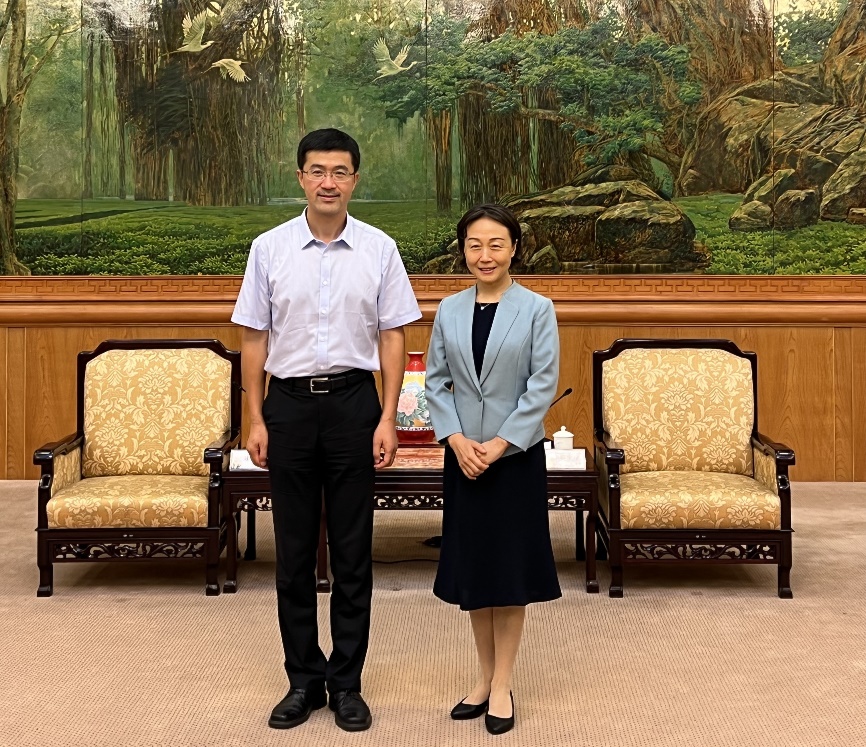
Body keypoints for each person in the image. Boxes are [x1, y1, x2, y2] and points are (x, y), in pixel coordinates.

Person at [231, 128, 421, 732]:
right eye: (317, 171)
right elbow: (253, 338)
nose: (328, 182)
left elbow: (393, 335)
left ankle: (346, 683)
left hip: (353, 406)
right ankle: (302, 680)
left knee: (352, 552)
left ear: (355, 180)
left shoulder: (380, 249)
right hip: (287, 407)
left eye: (340, 172)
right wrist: (255, 417)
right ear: (301, 178)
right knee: (292, 554)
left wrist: (387, 416)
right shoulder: (268, 248)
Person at [425, 204, 561, 736]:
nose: (485, 255)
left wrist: (501, 444)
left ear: (514, 249)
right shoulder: (449, 309)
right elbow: (436, 382)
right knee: (475, 571)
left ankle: (503, 683)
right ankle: (482, 679)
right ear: (464, 249)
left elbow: (541, 385)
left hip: (514, 458)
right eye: (475, 244)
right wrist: (456, 440)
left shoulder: (537, 309)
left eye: (496, 244)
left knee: (509, 573)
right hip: (464, 459)